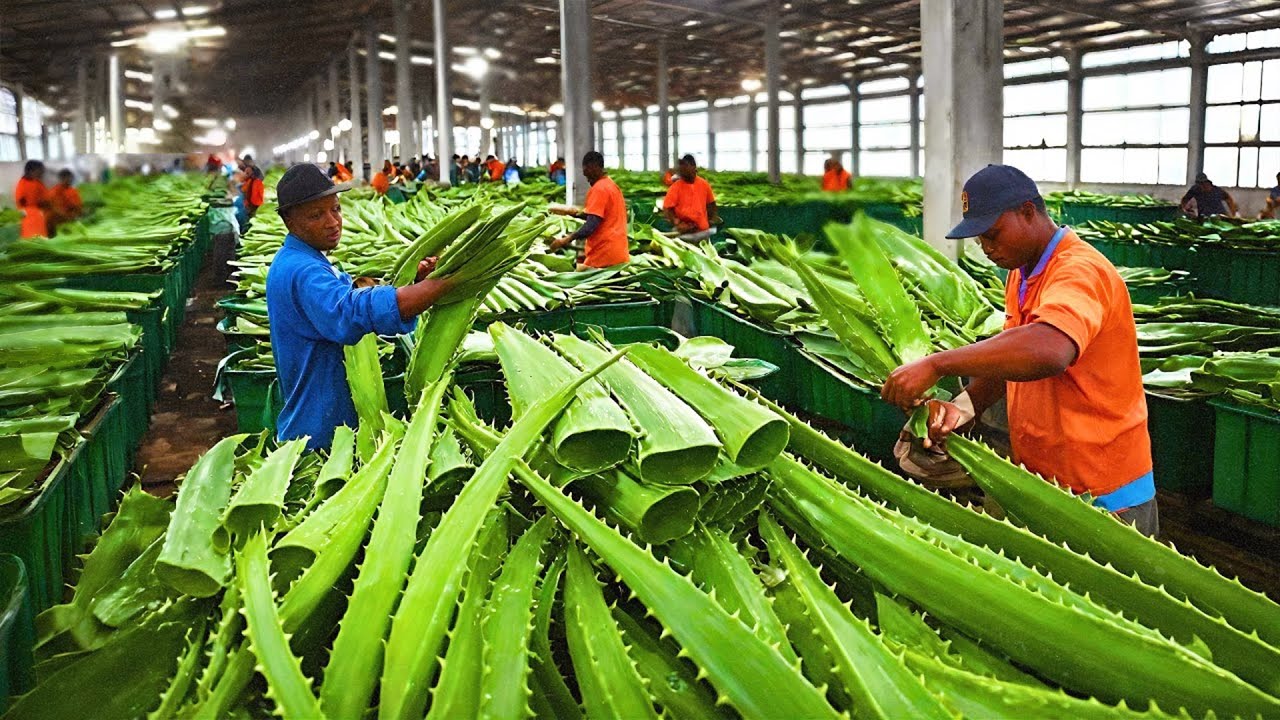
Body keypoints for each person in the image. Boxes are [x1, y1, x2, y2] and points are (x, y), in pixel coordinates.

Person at [880, 164, 1158, 537]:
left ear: (1028, 211)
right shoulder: (1022, 272)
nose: (987, 249)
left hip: (1102, 492)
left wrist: (937, 364)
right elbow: (1011, 357)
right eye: (980, 240)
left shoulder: (1079, 271)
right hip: (1046, 483)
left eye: (993, 235)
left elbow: (1049, 349)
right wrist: (962, 409)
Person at [265, 163, 455, 450]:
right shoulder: (303, 270)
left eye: (336, 209)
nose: (332, 222)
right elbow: (347, 312)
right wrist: (440, 287)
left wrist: (413, 282)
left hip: (323, 416)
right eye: (316, 215)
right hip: (321, 433)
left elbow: (348, 293)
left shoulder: (307, 259)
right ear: (289, 221)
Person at [548, 151, 629, 270]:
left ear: (594, 167)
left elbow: (591, 225)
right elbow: (599, 216)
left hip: (604, 254)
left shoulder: (599, 189)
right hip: (618, 252)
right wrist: (575, 214)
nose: (586, 178)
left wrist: (566, 239)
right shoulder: (611, 185)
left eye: (586, 172)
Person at [663, 154, 720, 236]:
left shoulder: (704, 184)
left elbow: (711, 205)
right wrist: (678, 222)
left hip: (702, 229)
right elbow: (667, 209)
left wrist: (708, 221)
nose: (682, 169)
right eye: (681, 167)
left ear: (693, 166)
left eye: (685, 166)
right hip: (683, 231)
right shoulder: (675, 187)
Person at [14, 160, 50, 239]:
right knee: (32, 239)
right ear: (30, 171)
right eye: (39, 172)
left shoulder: (37, 182)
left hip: (39, 214)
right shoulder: (22, 185)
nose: (41, 175)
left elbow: (46, 196)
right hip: (28, 216)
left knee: (41, 238)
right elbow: (22, 205)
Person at [47, 169, 84, 237]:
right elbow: (54, 208)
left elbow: (78, 205)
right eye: (67, 178)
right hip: (56, 223)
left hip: (69, 222)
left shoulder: (73, 191)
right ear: (61, 178)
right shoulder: (54, 191)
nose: (69, 180)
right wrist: (66, 217)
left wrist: (78, 213)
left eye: (70, 178)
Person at [239, 155, 265, 225]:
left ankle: (251, 222)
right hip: (253, 198)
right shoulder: (253, 171)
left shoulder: (254, 174)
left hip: (254, 200)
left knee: (252, 213)